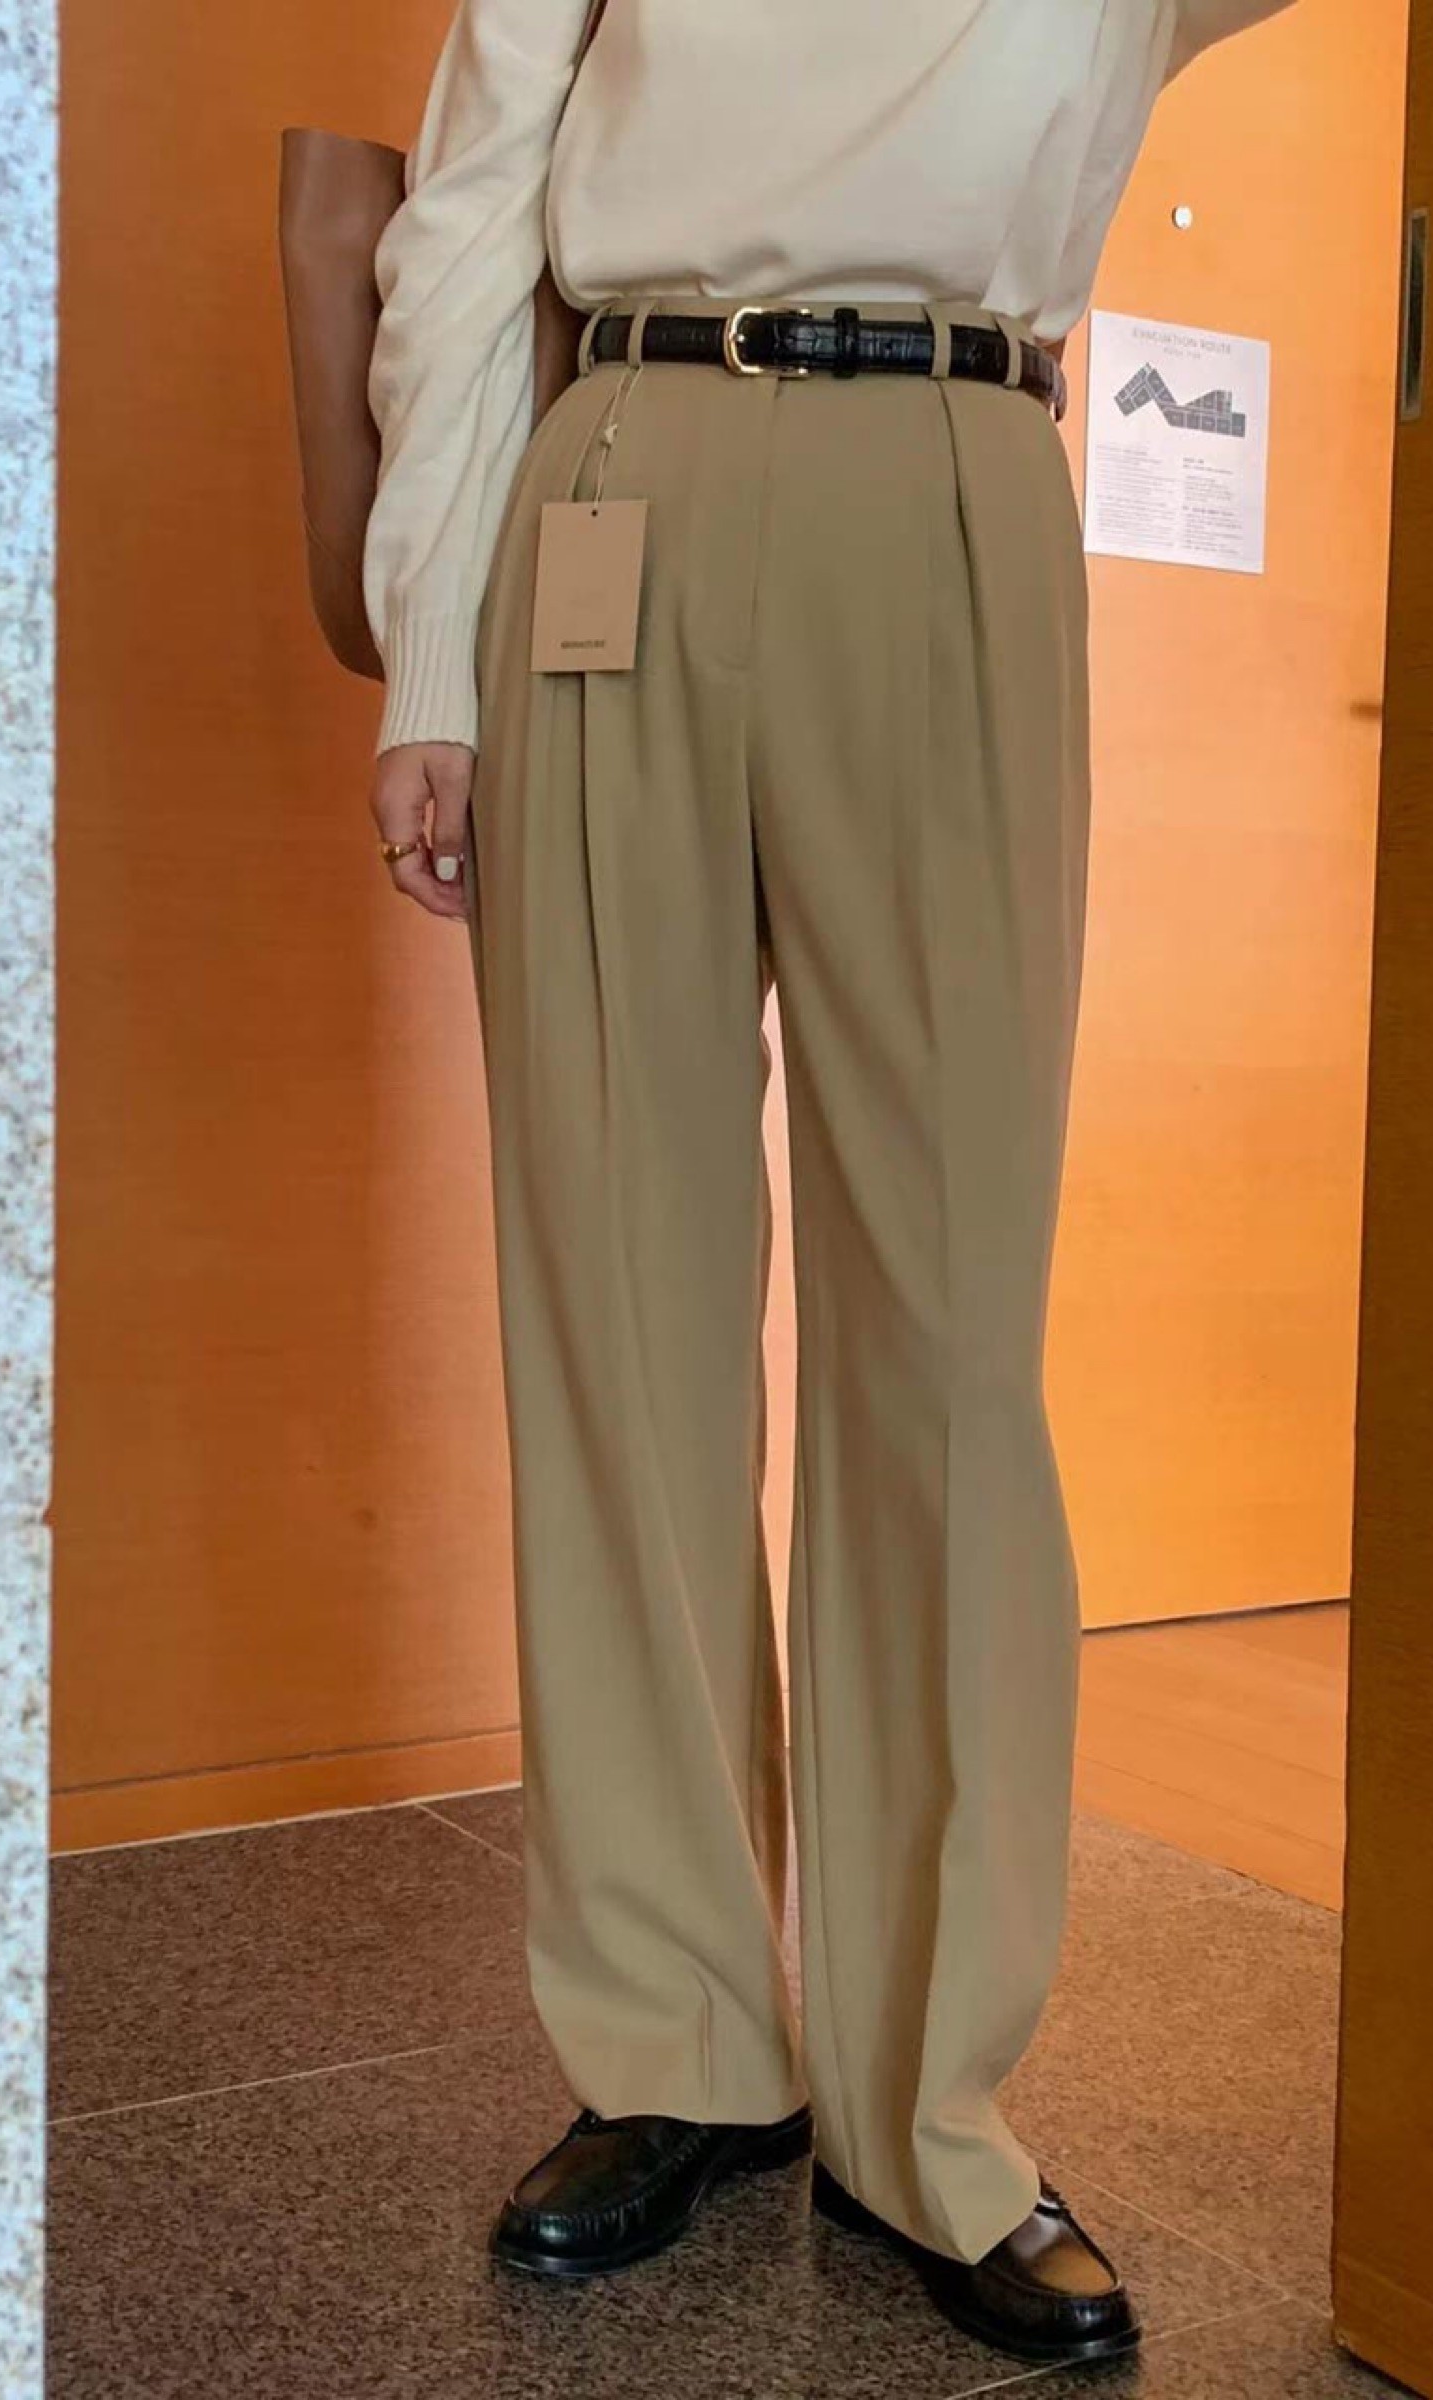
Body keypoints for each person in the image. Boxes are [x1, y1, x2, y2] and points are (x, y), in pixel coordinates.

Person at [363, 0, 1293, 2365]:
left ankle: (927, 2102)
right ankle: (676, 2038)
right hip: (622, 465)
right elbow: (472, 198)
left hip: (959, 476)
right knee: (618, 1304)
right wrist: (429, 654)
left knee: (952, 1345)